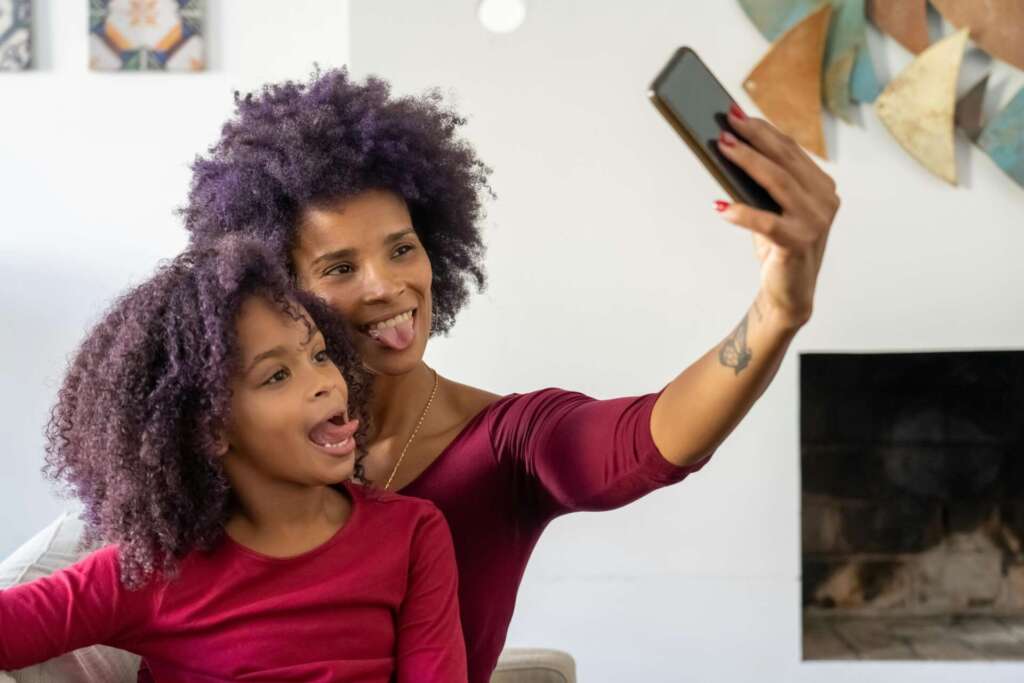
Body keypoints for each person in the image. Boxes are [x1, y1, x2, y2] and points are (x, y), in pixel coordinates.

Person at [0, 237, 467, 683]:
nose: (326, 381)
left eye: (320, 354)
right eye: (277, 375)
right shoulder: (153, 573)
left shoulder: (412, 534)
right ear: (211, 429)